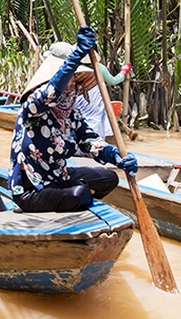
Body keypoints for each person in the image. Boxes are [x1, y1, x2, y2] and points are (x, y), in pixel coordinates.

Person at [8, 27, 138, 213]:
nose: (72, 87)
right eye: (69, 81)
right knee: (79, 193)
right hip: (32, 188)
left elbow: (90, 142)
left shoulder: (71, 115)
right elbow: (51, 93)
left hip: (58, 176)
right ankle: (71, 199)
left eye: (75, 82)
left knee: (110, 178)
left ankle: (71, 197)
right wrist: (77, 55)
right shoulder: (32, 107)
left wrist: (116, 156)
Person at [74, 62, 132, 138]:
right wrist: (123, 72)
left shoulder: (73, 68)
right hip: (95, 101)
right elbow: (113, 81)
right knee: (96, 125)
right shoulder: (98, 67)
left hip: (77, 101)